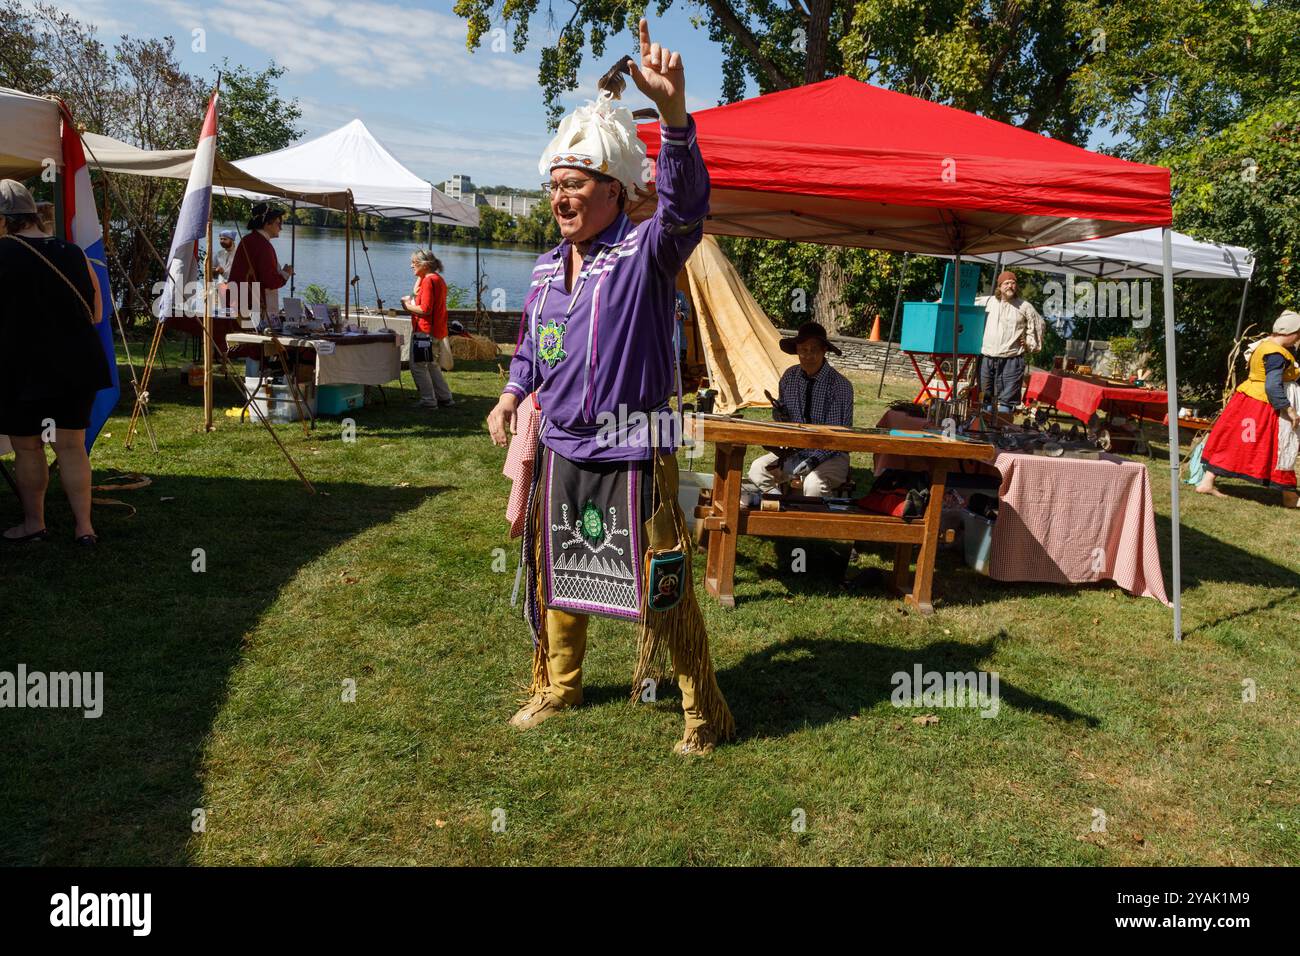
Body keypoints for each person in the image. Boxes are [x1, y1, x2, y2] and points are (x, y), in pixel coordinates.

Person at [486, 17, 733, 756]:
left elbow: (688, 208)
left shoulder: (645, 251)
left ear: (615, 191)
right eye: (555, 186)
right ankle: (558, 684)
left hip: (637, 443)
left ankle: (701, 708)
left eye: (574, 186)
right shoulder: (541, 270)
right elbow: (537, 344)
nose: (560, 198)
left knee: (665, 581)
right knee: (557, 567)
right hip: (562, 446)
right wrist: (508, 393)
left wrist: (676, 115)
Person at [0, 179, 110, 545]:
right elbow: (96, 313)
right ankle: (84, 528)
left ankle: (35, 524)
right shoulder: (73, 252)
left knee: (28, 447)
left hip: (24, 368)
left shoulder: (2, 253)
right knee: (71, 446)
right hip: (76, 364)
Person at [1196, 310, 1300, 507]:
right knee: (1282, 446)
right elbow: (1272, 385)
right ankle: (1289, 496)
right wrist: (1289, 409)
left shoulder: (1266, 344)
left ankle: (1207, 482)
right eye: (1299, 334)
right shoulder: (1276, 353)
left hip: (1248, 401)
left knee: (1234, 441)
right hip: (1261, 405)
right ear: (1291, 332)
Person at [748, 322, 854, 498]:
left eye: (814, 350)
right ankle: (783, 509)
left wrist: (813, 460)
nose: (808, 355)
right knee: (757, 470)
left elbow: (838, 436)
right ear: (796, 350)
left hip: (832, 454)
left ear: (824, 351)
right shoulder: (789, 377)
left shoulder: (840, 386)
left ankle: (813, 524)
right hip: (795, 452)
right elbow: (784, 417)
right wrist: (780, 415)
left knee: (814, 484)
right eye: (803, 349)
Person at [979, 270, 1044, 414]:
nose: (1010, 286)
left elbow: (1039, 324)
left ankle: (1002, 430)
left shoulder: (1024, 306)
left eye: (1013, 283)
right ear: (1000, 286)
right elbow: (964, 303)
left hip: (1012, 360)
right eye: (1007, 283)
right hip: (988, 357)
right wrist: (939, 302)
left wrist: (1028, 342)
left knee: (1006, 401)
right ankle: (983, 429)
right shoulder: (989, 301)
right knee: (985, 397)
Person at [400, 250, 454, 408]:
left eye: (414, 263)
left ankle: (428, 400)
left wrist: (407, 306)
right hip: (435, 330)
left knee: (418, 366)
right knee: (431, 364)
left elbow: (426, 309)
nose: (411, 266)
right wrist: (419, 275)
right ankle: (444, 397)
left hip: (424, 332)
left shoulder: (429, 281)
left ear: (424, 264)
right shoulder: (437, 279)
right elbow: (417, 292)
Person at [227, 203, 293, 323]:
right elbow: (269, 281)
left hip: (239, 302)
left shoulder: (247, 240)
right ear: (267, 223)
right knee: (255, 340)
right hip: (254, 307)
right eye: (278, 223)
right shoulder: (263, 246)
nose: (281, 228)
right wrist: (286, 273)